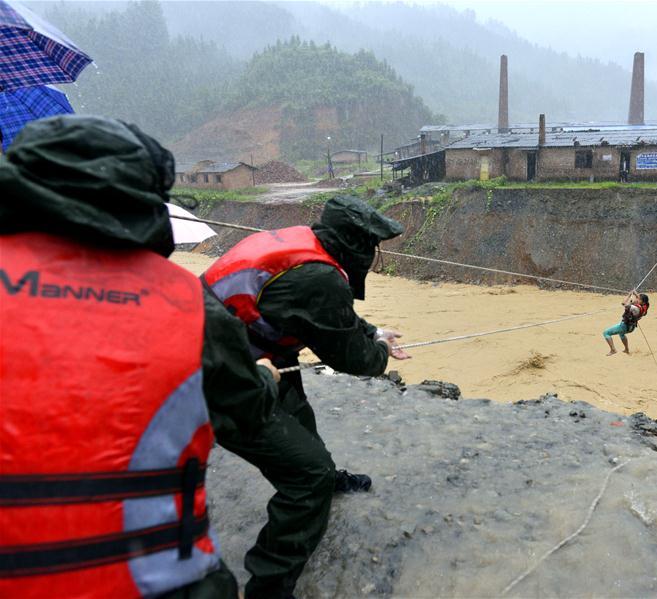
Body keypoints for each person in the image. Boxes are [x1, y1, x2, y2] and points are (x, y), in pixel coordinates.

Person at [0, 115, 282, 598]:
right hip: (160, 585)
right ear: (148, 200)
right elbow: (243, 416)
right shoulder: (192, 304)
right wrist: (268, 381)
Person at [201, 195, 409, 599]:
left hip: (242, 350)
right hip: (219, 376)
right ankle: (270, 587)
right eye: (371, 247)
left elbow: (330, 316)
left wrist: (372, 330)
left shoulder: (303, 245)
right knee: (306, 476)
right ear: (353, 245)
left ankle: (324, 478)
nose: (373, 254)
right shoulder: (319, 279)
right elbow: (353, 359)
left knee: (297, 416)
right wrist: (378, 350)